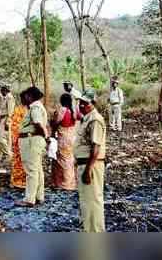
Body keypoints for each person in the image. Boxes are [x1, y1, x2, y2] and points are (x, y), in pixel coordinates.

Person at [74, 89, 107, 232]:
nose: (81, 105)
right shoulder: (86, 118)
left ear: (92, 103)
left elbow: (96, 148)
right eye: (80, 102)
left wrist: (88, 170)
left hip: (91, 166)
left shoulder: (95, 119)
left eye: (84, 103)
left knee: (93, 203)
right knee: (87, 203)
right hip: (84, 164)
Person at [14, 87, 48, 207]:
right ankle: (39, 196)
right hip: (34, 140)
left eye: (25, 96)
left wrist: (46, 135)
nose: (24, 99)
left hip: (31, 140)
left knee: (31, 171)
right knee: (37, 169)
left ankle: (29, 199)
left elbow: (38, 123)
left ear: (30, 96)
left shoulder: (35, 107)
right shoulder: (37, 106)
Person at [51, 93, 78, 191]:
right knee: (69, 159)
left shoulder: (62, 110)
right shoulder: (73, 111)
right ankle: (70, 182)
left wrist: (52, 131)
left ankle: (64, 183)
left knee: (62, 160)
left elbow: (55, 122)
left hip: (63, 137)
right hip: (72, 136)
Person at [10, 90, 28, 189]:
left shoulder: (32, 109)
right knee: (18, 160)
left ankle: (26, 181)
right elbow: (14, 126)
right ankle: (17, 181)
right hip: (19, 138)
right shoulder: (17, 110)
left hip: (29, 140)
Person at [0, 84, 16, 161]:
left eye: (2, 90)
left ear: (5, 90)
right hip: (2, 119)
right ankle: (6, 156)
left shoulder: (9, 98)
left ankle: (9, 154)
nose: (1, 91)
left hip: (6, 119)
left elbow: (10, 111)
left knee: (0, 138)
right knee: (6, 139)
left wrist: (7, 122)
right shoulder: (5, 97)